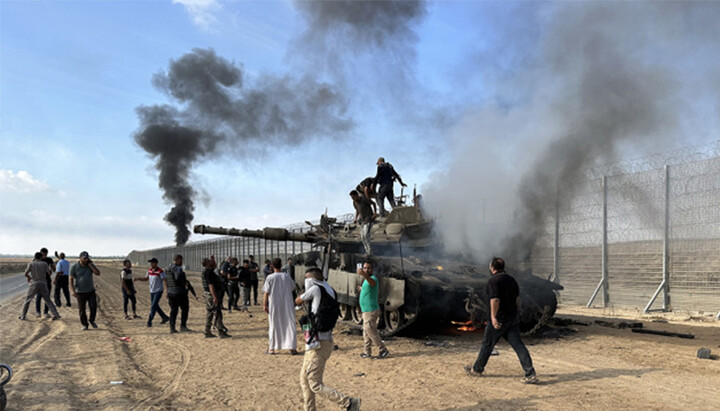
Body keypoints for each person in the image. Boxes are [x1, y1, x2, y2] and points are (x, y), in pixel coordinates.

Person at [295, 267, 361, 411]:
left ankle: (348, 403)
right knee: (304, 379)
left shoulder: (316, 290)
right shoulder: (330, 290)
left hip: (318, 343)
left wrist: (300, 294)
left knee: (314, 383)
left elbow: (298, 300)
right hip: (318, 341)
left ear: (311, 280)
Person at [464, 257, 538, 384]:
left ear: (492, 268)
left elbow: (495, 300)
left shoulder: (493, 281)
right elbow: (517, 300)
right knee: (519, 346)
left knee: (487, 345)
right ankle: (530, 373)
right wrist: (515, 313)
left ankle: (477, 370)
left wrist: (493, 317)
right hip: (511, 319)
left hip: (499, 320)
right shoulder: (511, 279)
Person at [262, 258, 298, 355]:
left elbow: (266, 292)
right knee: (289, 323)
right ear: (281, 265)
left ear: (272, 266)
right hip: (287, 303)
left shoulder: (270, 277)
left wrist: (264, 304)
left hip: (274, 304)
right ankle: (292, 347)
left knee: (274, 324)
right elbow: (293, 287)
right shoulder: (286, 276)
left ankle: (272, 348)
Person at [357, 261, 389, 358]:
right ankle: (367, 352)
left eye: (368, 268)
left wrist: (364, 275)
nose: (366, 270)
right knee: (366, 332)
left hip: (370, 309)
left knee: (371, 331)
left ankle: (383, 349)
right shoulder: (366, 280)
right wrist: (362, 288)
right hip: (366, 309)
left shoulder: (373, 278)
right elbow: (369, 288)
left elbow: (372, 283)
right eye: (365, 268)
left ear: (372, 269)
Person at [19, 252, 61, 321]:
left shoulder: (31, 264)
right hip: (43, 283)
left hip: (34, 283)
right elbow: (49, 272)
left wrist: (29, 278)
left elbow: (26, 273)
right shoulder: (44, 264)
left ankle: (23, 315)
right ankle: (56, 314)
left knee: (28, 300)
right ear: (41, 257)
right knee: (48, 300)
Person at [69, 251, 101, 330]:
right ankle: (85, 324)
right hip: (80, 292)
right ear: (80, 258)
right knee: (82, 310)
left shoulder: (90, 265)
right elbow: (70, 280)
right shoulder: (74, 267)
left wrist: (91, 265)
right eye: (84, 258)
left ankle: (92, 320)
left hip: (90, 290)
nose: (86, 260)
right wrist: (72, 291)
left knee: (93, 307)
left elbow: (97, 273)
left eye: (87, 258)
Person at [135, 258, 169, 327]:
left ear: (156, 263)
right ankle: (165, 317)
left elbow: (165, 281)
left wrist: (166, 291)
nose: (150, 264)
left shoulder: (160, 271)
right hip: (152, 291)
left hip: (158, 291)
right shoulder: (149, 271)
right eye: (150, 263)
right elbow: (146, 278)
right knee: (155, 305)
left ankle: (149, 321)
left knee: (153, 306)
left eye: (152, 262)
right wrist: (138, 278)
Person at [201, 256, 230, 338]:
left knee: (210, 313)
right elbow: (211, 286)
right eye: (209, 261)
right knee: (217, 313)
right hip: (211, 295)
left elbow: (214, 266)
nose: (211, 261)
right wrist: (215, 297)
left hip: (209, 295)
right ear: (207, 264)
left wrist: (213, 260)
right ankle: (221, 332)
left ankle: (207, 331)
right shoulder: (209, 273)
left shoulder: (207, 271)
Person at [165, 254, 191, 333]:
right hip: (179, 292)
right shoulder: (177, 268)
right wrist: (185, 283)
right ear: (178, 259)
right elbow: (178, 278)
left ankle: (172, 327)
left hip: (170, 292)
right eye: (181, 260)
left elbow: (166, 279)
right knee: (185, 309)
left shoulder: (167, 268)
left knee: (173, 310)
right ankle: (183, 326)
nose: (182, 262)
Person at [350, 190, 376, 255]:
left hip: (369, 219)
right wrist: (356, 218)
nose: (353, 199)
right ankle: (366, 251)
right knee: (362, 237)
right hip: (362, 221)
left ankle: (370, 251)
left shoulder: (364, 199)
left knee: (366, 235)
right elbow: (357, 210)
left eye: (353, 197)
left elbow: (373, 203)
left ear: (357, 195)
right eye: (352, 198)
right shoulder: (355, 202)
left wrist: (375, 213)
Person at [35, 248, 56, 318]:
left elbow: (54, 269)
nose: (44, 256)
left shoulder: (49, 259)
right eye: (43, 254)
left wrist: (53, 267)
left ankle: (46, 312)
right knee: (38, 297)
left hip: (47, 280)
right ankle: (38, 312)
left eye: (45, 254)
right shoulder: (36, 260)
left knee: (47, 297)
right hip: (39, 280)